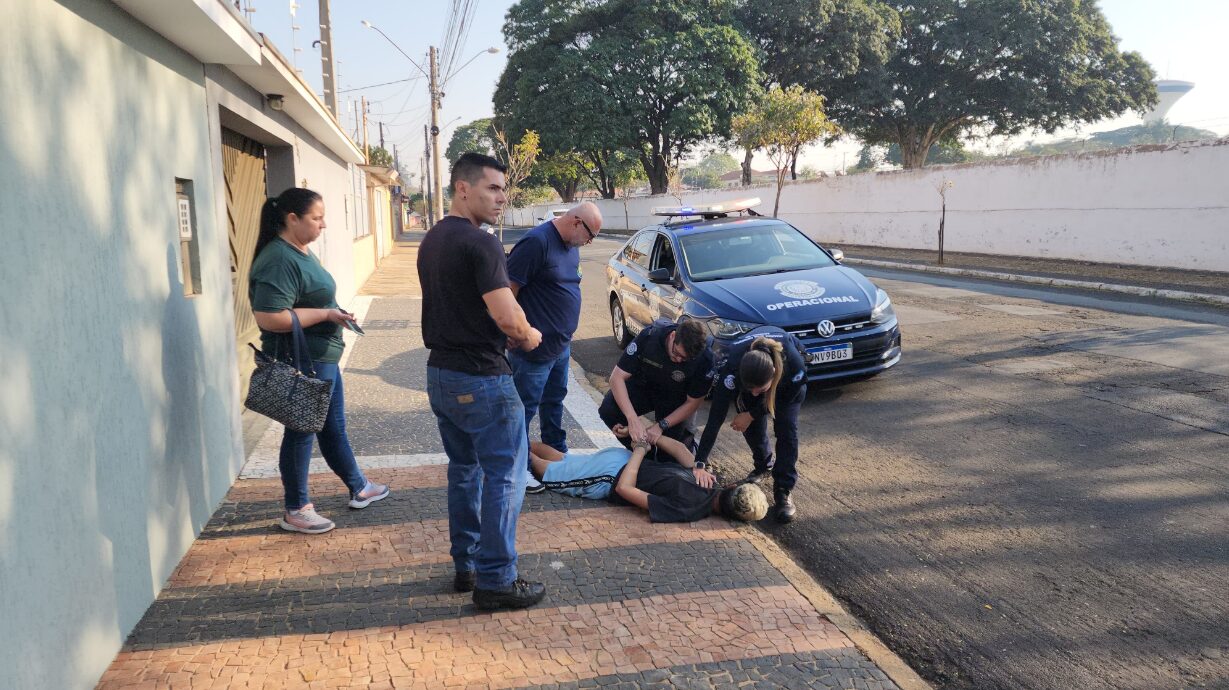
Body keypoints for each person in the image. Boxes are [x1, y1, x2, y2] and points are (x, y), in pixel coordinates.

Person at [418, 152, 547, 611]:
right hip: (482, 379)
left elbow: (462, 306)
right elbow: (507, 316)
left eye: (503, 188)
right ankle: (495, 580)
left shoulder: (432, 239)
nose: (502, 197)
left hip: (441, 374)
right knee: (506, 476)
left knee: (465, 470)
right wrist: (529, 335)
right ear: (463, 189)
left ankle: (466, 565)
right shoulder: (482, 243)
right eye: (492, 187)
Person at [248, 187, 390, 535]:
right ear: (291, 219)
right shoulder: (279, 258)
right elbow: (269, 317)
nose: (323, 224)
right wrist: (325, 313)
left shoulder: (300, 252)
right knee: (301, 432)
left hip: (320, 358)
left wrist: (333, 314)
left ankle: (359, 486)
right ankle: (296, 508)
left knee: (331, 427)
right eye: (317, 217)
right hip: (304, 360)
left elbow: (305, 301)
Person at [506, 202, 604, 494]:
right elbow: (508, 289)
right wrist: (513, 331)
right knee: (522, 410)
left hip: (560, 347)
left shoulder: (571, 245)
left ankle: (557, 456)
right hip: (533, 350)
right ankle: (518, 468)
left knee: (554, 402)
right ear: (576, 222)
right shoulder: (537, 242)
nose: (589, 242)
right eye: (590, 235)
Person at [531, 426, 769, 524]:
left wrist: (648, 441)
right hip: (610, 475)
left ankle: (513, 440)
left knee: (561, 459)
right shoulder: (690, 508)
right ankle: (508, 447)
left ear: (732, 487)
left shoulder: (707, 479)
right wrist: (641, 448)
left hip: (618, 462)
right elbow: (625, 489)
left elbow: (681, 451)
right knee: (547, 472)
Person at [693, 327, 808, 523]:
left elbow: (789, 395)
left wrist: (753, 413)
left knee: (786, 429)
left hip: (787, 388)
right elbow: (714, 420)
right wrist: (699, 463)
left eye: (759, 390)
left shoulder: (793, 364)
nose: (755, 394)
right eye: (750, 389)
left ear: (772, 374)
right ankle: (763, 466)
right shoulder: (731, 368)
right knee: (750, 425)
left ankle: (783, 489)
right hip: (753, 375)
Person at [598, 318, 715, 459]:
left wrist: (661, 426)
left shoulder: (705, 359)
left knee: (669, 455)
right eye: (676, 353)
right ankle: (642, 451)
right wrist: (632, 419)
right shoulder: (650, 336)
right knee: (609, 409)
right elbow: (616, 378)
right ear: (672, 336)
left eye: (685, 359)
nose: (678, 360)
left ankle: (676, 450)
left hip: (675, 397)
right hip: (645, 385)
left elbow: (693, 403)